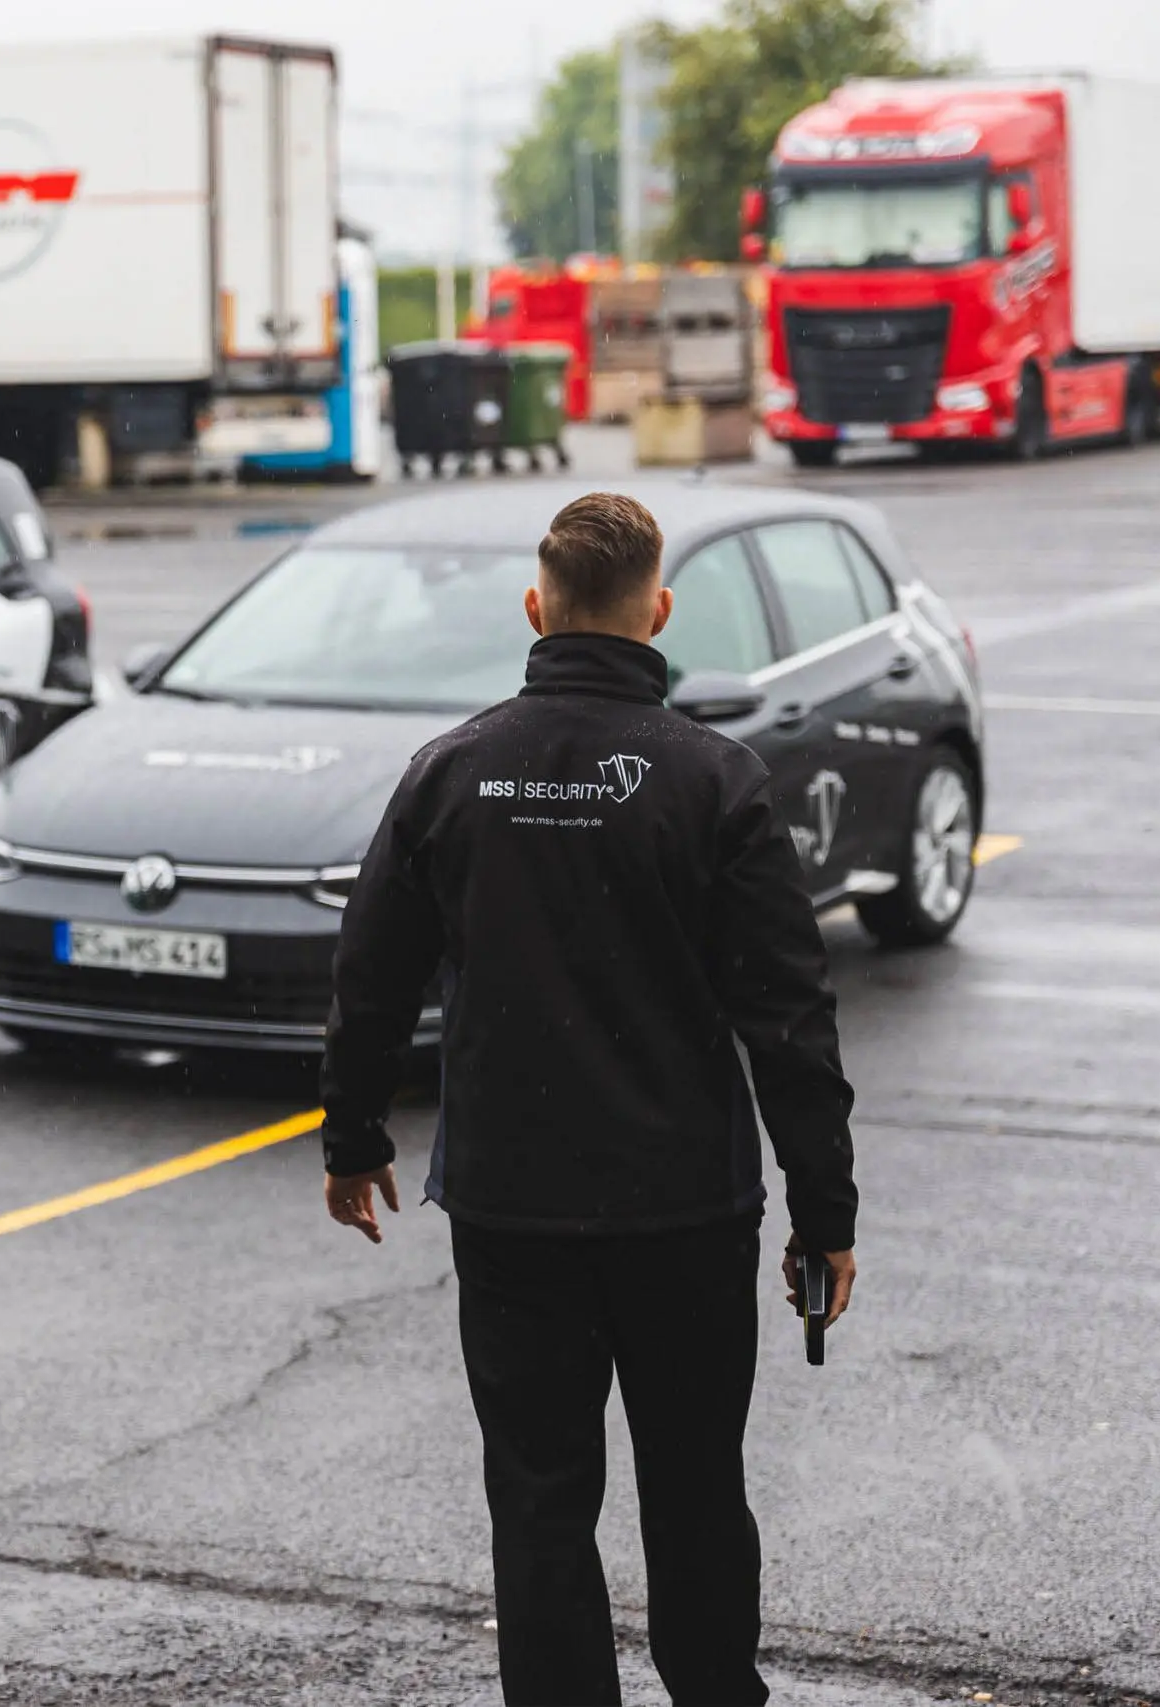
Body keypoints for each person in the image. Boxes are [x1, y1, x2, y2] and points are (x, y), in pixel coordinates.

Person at [318, 491, 859, 1707]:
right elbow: (788, 1017)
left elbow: (368, 975)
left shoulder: (451, 772)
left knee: (539, 1497)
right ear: (656, 613)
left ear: (535, 606)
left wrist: (351, 1136)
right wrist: (824, 1213)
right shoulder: (715, 781)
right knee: (693, 1486)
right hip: (685, 1213)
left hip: (513, 1213)